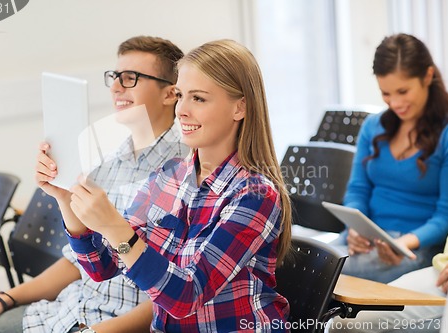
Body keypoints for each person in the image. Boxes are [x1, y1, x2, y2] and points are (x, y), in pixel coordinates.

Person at [0, 35, 187, 333]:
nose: (115, 87)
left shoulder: (187, 170)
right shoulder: (107, 159)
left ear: (170, 94)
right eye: (114, 77)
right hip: (65, 313)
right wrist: (3, 298)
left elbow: (173, 295)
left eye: (130, 78)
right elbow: (77, 262)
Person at [61, 39, 293, 332]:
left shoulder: (255, 195)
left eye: (198, 98)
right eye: (181, 95)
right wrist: (64, 198)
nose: (181, 110)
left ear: (240, 107)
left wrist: (112, 225)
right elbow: (101, 267)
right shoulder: (168, 176)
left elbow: (186, 296)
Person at [332, 33, 448, 284]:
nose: (395, 103)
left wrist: (401, 243)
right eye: (386, 93)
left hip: (414, 244)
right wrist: (354, 230)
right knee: (300, 260)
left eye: (403, 91)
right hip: (367, 237)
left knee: (319, 274)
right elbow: (357, 190)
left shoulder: (447, 134)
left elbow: (445, 217)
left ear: (428, 76)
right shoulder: (373, 126)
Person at [330, 234, 448, 333]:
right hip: (442, 267)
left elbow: (443, 216)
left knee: (347, 325)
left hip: (417, 251)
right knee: (343, 323)